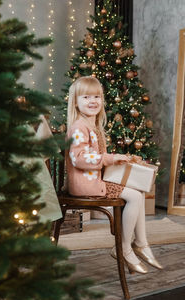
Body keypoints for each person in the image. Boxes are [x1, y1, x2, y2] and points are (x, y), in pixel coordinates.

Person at [66, 76, 163, 274]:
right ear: (75, 102)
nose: (93, 101)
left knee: (139, 190)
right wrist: (109, 158)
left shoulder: (93, 126)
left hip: (95, 180)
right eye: (86, 97)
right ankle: (123, 248)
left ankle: (141, 243)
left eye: (97, 96)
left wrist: (118, 159)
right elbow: (79, 159)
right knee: (135, 196)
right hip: (85, 184)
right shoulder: (78, 127)